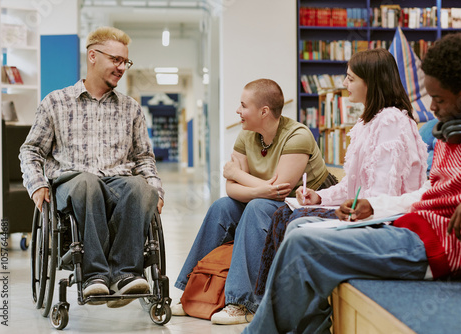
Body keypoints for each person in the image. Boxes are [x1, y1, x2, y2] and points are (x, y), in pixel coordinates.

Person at [243, 33, 461, 333]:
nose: (433, 110)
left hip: (434, 248)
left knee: (302, 241)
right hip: (412, 229)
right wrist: (372, 205)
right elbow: (423, 193)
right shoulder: (449, 134)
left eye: (438, 100)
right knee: (299, 230)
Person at [255, 48, 428, 295]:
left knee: (294, 220)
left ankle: (284, 305)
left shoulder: (392, 121)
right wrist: (319, 197)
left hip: (383, 219)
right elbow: (353, 186)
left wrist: (349, 207)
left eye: (351, 78)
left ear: (372, 82)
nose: (345, 83)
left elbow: (379, 195)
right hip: (365, 210)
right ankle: (273, 302)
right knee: (283, 214)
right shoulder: (367, 122)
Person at [19, 27, 164, 308]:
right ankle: (94, 276)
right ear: (93, 56)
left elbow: (144, 157)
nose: (122, 67)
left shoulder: (131, 108)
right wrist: (36, 184)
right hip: (73, 183)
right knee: (87, 183)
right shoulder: (55, 102)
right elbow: (31, 150)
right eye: (116, 60)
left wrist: (155, 190)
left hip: (119, 183)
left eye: (126, 62)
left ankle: (125, 275)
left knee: (140, 188)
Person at [173, 79, 337, 324]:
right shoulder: (246, 135)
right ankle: (193, 293)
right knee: (222, 207)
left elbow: (279, 191)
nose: (238, 111)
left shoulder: (297, 136)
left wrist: (237, 174)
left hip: (305, 203)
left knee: (257, 208)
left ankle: (243, 303)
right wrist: (260, 188)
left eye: (243, 105)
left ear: (264, 111)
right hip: (268, 200)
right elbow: (232, 190)